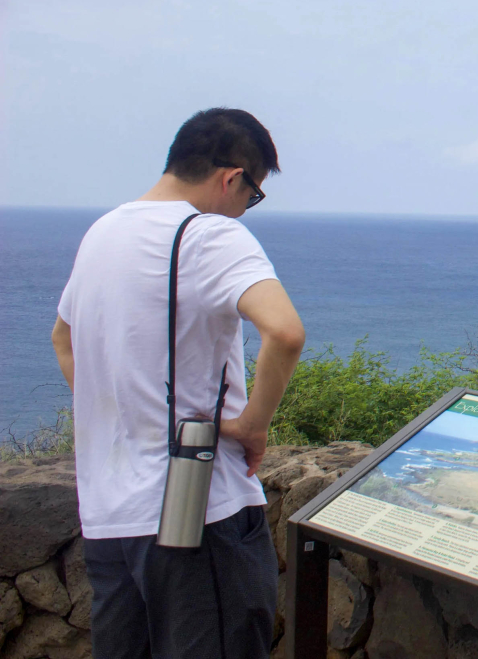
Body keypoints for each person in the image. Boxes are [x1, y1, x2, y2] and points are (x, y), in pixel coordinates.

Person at [51, 108, 306, 659]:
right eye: (253, 196)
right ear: (231, 177)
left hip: (108, 518)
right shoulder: (209, 235)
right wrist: (251, 427)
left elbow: (63, 340)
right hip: (197, 514)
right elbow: (284, 332)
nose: (245, 211)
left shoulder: (103, 232)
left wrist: (121, 413)